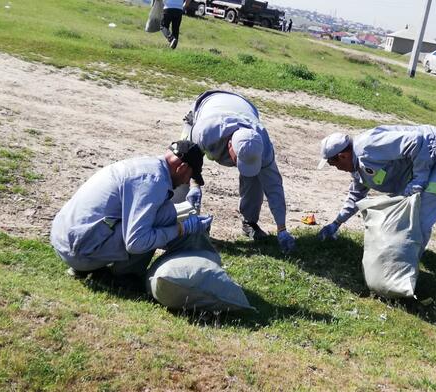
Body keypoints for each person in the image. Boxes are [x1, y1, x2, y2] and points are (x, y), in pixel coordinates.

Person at [50, 140, 212, 278]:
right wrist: (180, 229)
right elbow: (137, 243)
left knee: (163, 212)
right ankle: (125, 277)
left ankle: (99, 266)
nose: (185, 182)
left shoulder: (148, 166)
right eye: (189, 177)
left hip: (63, 239)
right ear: (182, 167)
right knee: (162, 217)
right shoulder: (153, 181)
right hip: (78, 252)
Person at [316, 125, 436, 260]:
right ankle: (401, 258)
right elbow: (356, 197)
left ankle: (403, 267)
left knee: (418, 216)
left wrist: (419, 179)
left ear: (342, 156)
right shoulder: (357, 167)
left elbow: (415, 141)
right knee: (402, 213)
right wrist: (336, 223)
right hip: (432, 159)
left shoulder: (368, 146)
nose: (337, 169)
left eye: (334, 164)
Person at [176, 90, 296, 253]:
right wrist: (195, 185)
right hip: (208, 106)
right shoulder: (206, 131)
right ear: (230, 146)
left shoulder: (263, 144)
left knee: (255, 178)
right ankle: (179, 224)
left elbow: (274, 187)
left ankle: (249, 223)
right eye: (239, 160)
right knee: (181, 169)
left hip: (244, 107)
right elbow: (190, 159)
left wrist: (282, 229)